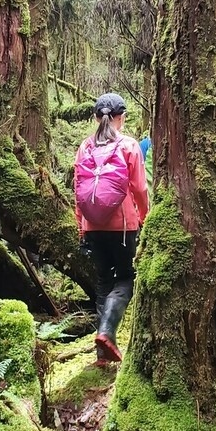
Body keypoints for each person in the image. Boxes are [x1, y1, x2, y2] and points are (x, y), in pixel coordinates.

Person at [75, 93, 149, 366]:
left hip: (92, 226)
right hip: (123, 227)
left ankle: (101, 354)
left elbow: (78, 190)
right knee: (126, 279)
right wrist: (146, 217)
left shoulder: (85, 147)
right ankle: (107, 334)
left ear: (96, 118)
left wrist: (82, 226)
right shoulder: (128, 146)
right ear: (122, 118)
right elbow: (140, 189)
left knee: (104, 281)